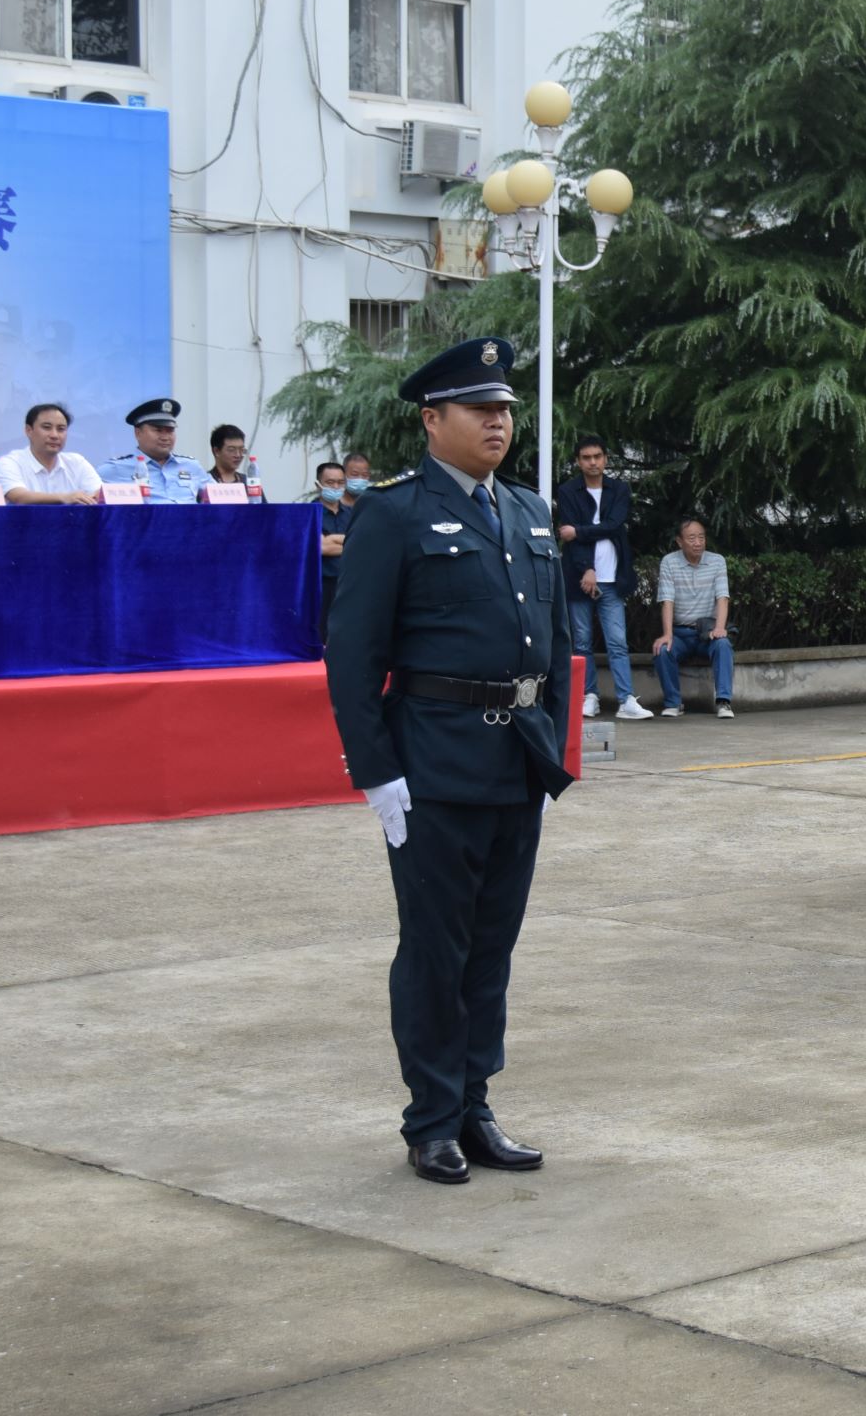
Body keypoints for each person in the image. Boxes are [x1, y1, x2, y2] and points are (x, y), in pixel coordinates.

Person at [322, 336, 575, 1187]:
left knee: (491, 948)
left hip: (516, 760)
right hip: (432, 763)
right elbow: (351, 654)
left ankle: (474, 1106)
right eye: (479, 409)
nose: (498, 421)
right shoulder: (392, 514)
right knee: (435, 946)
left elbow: (561, 645)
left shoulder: (530, 513)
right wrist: (376, 772)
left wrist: (555, 753)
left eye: (504, 409)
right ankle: (429, 1119)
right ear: (433, 421)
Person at [558, 435, 650, 721]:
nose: (593, 462)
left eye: (597, 456)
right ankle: (589, 696)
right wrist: (587, 568)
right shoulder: (568, 491)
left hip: (612, 578)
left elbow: (613, 525)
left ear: (606, 459)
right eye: (586, 457)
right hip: (578, 577)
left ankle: (626, 699)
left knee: (617, 642)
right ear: (578, 461)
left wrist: (580, 531)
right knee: (582, 642)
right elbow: (568, 537)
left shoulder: (618, 489)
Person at [651, 516, 736, 718]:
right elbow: (666, 600)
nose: (697, 543)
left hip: (707, 633)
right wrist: (668, 634)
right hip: (680, 632)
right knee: (662, 650)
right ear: (680, 541)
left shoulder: (717, 561)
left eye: (701, 537)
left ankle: (724, 702)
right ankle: (673, 703)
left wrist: (720, 628)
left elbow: (723, 597)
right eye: (691, 538)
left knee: (723, 645)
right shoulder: (669, 562)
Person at [97, 398, 213, 503]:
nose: (165, 437)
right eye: (158, 430)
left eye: (170, 430)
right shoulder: (115, 468)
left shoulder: (192, 466)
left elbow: (220, 499)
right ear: (138, 433)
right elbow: (87, 498)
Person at [0, 403, 103, 504]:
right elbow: (19, 496)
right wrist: (65, 498)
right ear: (28, 430)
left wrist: (97, 496)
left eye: (61, 429)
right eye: (46, 427)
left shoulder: (77, 462)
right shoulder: (10, 462)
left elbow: (100, 494)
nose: (54, 435)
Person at [315, 459, 353, 627]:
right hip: (321, 582)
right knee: (322, 629)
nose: (336, 487)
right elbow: (322, 547)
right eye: (330, 482)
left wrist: (332, 539)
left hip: (349, 580)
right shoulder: (310, 513)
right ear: (318, 485)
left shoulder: (352, 513)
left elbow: (363, 542)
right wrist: (350, 541)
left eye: (340, 482)